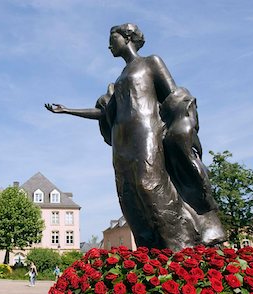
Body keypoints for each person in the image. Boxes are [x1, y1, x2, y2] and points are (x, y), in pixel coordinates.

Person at [45, 23, 225, 251]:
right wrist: (68, 110)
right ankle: (148, 249)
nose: (109, 45)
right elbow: (104, 113)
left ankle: (181, 248)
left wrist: (182, 128)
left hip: (146, 132)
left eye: (114, 38)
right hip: (122, 140)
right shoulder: (119, 78)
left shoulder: (151, 62)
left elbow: (175, 96)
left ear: (128, 37)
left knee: (149, 184)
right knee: (129, 192)